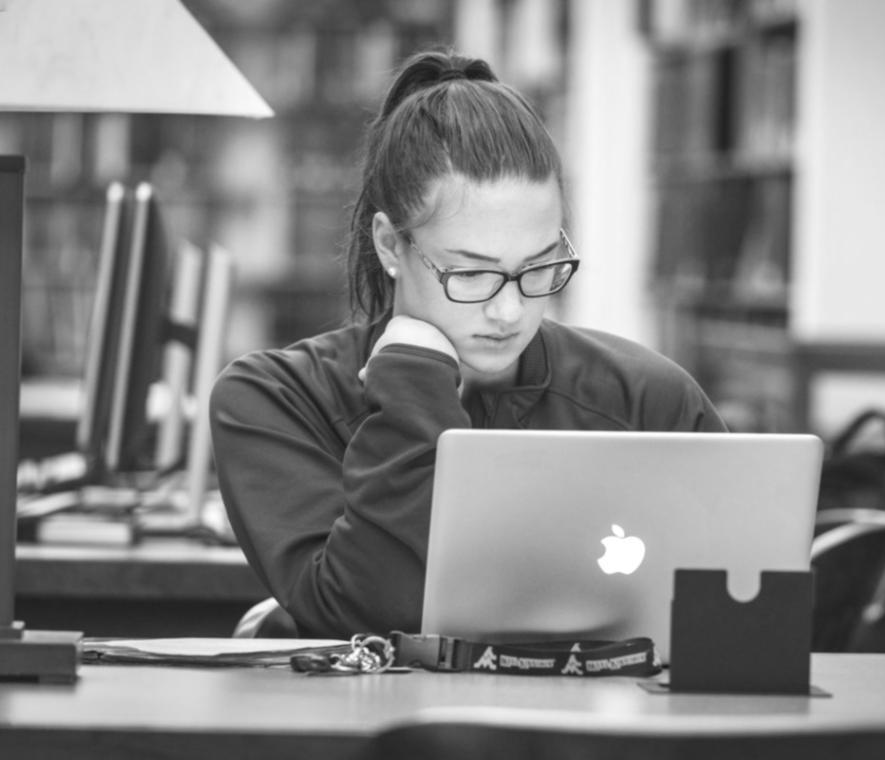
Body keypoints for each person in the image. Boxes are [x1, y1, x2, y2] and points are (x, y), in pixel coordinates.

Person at [210, 49, 726, 639]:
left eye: (538, 267)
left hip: (600, 728)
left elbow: (745, 627)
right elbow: (369, 619)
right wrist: (411, 383)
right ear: (389, 246)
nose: (509, 311)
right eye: (471, 273)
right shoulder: (274, 399)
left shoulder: (646, 400)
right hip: (369, 730)